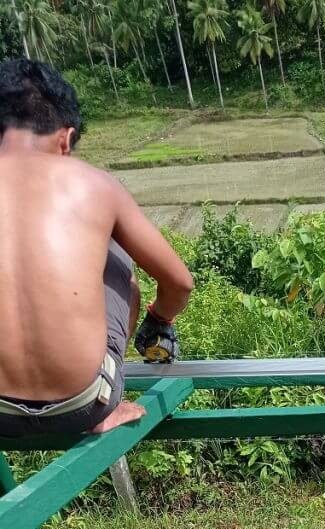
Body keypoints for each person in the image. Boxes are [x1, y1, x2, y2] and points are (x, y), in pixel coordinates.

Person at [0, 58, 194, 437]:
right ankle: (107, 395)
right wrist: (159, 320)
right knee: (115, 253)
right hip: (83, 408)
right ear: (65, 138)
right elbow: (180, 283)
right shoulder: (95, 185)